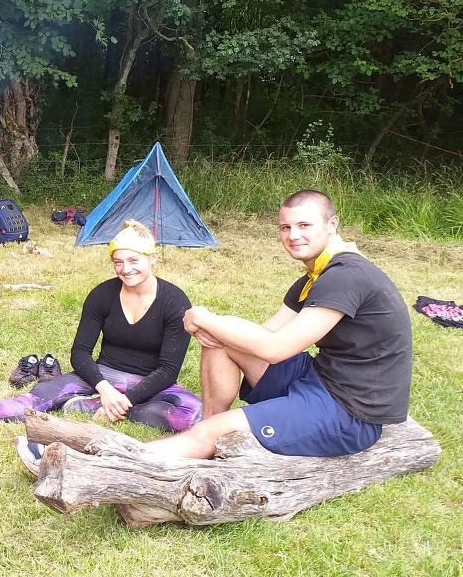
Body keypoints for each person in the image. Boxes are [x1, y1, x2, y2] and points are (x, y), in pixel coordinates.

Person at [145, 189, 412, 460]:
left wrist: (205, 319)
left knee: (210, 430)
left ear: (332, 224)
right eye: (286, 227)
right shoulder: (317, 276)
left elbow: (276, 348)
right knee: (225, 340)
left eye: (304, 225)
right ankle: (210, 428)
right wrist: (212, 326)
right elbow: (264, 334)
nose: (293, 235)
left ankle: (131, 461)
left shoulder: (346, 276)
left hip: (349, 412)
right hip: (320, 379)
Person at [0, 220, 202, 460]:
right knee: (41, 396)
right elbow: (80, 352)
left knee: (192, 413)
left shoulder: (174, 302)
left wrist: (122, 402)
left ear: (152, 258)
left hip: (150, 381)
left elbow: (168, 370)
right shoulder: (102, 295)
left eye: (133, 261)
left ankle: (89, 406)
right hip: (102, 375)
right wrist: (105, 389)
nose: (125, 269)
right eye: (118, 262)